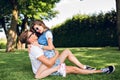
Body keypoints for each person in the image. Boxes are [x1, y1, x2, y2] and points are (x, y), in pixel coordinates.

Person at [19, 30, 115, 79]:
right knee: (73, 69)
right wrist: (56, 55)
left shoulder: (34, 45)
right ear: (29, 39)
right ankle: (101, 71)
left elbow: (50, 49)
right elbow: (48, 63)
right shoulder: (34, 49)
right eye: (32, 34)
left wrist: (54, 53)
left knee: (67, 51)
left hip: (49, 64)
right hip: (47, 69)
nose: (35, 34)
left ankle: (85, 67)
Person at [30, 20, 96, 70]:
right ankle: (83, 67)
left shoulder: (48, 33)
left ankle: (83, 67)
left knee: (67, 51)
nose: (37, 30)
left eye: (37, 28)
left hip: (49, 59)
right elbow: (52, 46)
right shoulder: (42, 34)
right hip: (48, 60)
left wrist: (39, 46)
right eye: (35, 29)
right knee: (67, 51)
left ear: (41, 25)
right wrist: (55, 51)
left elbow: (50, 47)